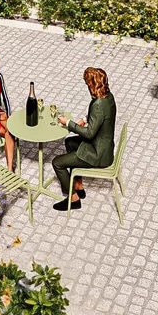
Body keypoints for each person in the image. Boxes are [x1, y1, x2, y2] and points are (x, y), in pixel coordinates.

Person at [52, 67, 116, 211]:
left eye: (88, 84)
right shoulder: (108, 96)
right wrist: (84, 119)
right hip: (105, 147)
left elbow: (88, 134)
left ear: (92, 84)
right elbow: (101, 116)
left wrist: (68, 123)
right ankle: (78, 184)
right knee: (69, 142)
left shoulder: (98, 104)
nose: (87, 87)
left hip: (98, 154)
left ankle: (73, 199)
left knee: (57, 162)